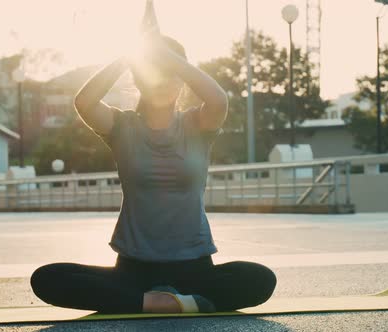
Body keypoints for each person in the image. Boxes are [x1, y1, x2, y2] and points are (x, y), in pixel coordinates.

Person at [29, 34, 276, 314]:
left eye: (171, 74)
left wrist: (168, 57)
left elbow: (218, 99)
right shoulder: (122, 126)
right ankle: (174, 303)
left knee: (260, 279)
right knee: (48, 278)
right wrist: (128, 57)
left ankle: (148, 303)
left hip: (194, 266)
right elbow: (84, 102)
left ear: (182, 79)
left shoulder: (197, 124)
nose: (161, 82)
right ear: (138, 80)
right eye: (153, 74)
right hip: (134, 269)